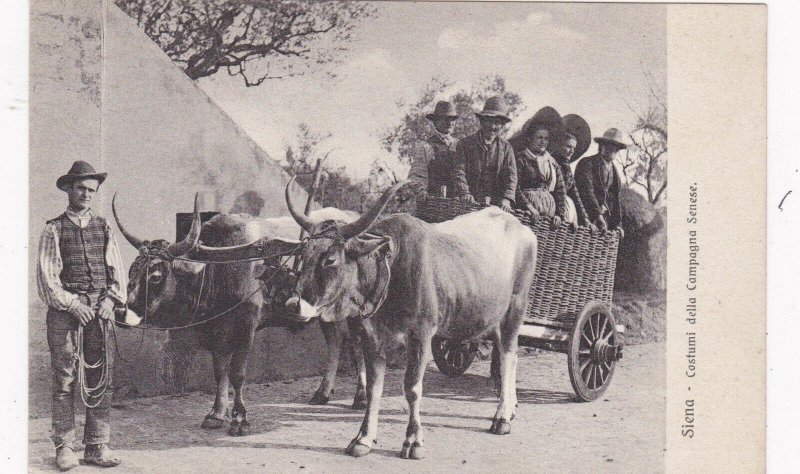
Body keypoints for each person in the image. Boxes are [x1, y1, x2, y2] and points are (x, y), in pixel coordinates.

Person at [37, 161, 126, 470]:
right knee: (64, 380)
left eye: (91, 190)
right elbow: (48, 278)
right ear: (68, 190)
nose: (86, 194)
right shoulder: (54, 229)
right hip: (65, 313)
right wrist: (74, 304)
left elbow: (117, 271)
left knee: (101, 379)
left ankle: (98, 445)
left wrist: (110, 301)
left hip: (99, 312)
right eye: (81, 188)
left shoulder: (104, 227)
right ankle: (64, 446)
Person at [452, 96, 517, 212]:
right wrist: (464, 192)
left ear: (502, 125)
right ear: (481, 121)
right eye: (489, 121)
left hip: (495, 207)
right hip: (468, 204)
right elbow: (459, 171)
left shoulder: (507, 148)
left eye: (497, 123)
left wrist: (507, 199)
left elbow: (511, 177)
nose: (492, 127)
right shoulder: (465, 144)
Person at [509, 107, 567, 229]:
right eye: (539, 137)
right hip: (525, 214)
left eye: (546, 138)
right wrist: (528, 207)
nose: (543, 141)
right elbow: (515, 186)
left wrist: (559, 215)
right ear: (529, 138)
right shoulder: (520, 159)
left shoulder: (552, 163)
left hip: (549, 219)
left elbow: (560, 190)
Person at [575, 128, 627, 233]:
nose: (612, 149)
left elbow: (615, 200)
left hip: (604, 222)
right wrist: (598, 215)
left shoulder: (615, 173)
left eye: (616, 147)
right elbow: (587, 192)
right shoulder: (587, 163)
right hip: (586, 218)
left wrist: (617, 225)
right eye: (609, 145)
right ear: (601, 145)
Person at [406, 100, 459, 200]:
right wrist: (421, 190)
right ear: (435, 121)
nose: (450, 123)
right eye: (445, 119)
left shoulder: (459, 144)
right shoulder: (425, 146)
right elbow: (416, 175)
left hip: (457, 202)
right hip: (433, 202)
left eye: (452, 119)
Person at [550, 114, 594, 230]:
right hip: (552, 210)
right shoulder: (551, 162)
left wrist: (586, 220)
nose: (571, 151)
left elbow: (574, 193)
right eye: (568, 147)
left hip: (564, 212)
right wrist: (559, 213)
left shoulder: (567, 167)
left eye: (573, 149)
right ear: (559, 145)